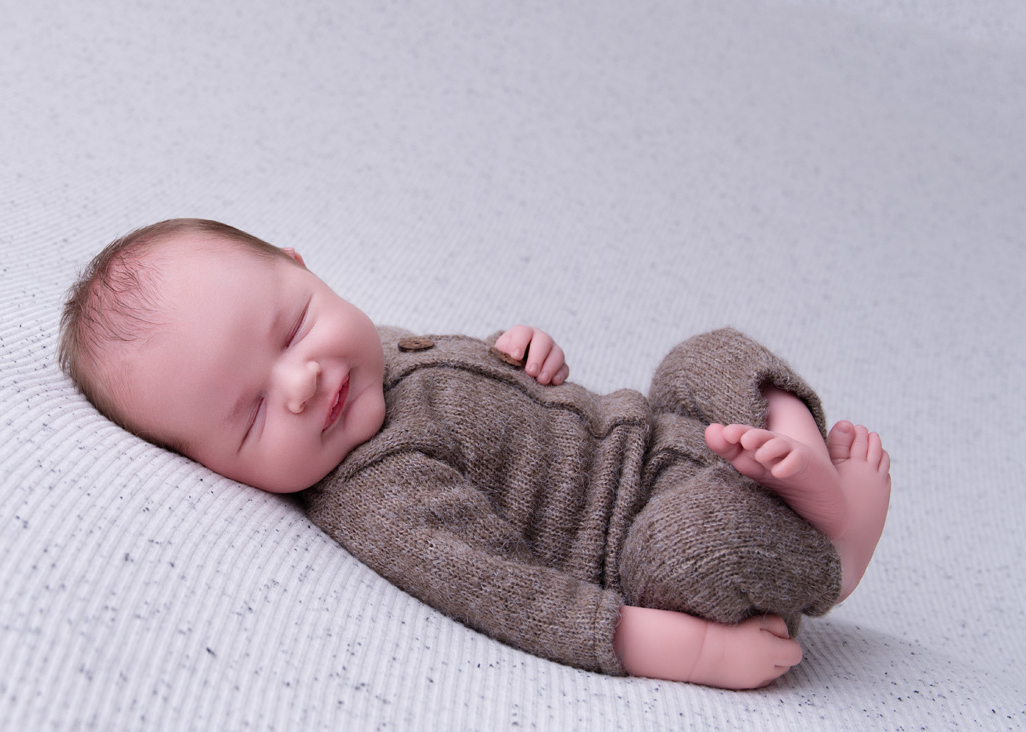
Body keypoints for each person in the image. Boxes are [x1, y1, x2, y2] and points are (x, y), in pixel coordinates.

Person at [58, 218, 891, 690]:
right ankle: (835, 544)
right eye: (250, 414)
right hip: (641, 538)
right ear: (216, 469)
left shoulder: (375, 351)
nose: (305, 383)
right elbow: (514, 598)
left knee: (703, 353)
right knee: (694, 549)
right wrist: (699, 654)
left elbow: (482, 398)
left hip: (662, 434)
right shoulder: (380, 497)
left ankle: (792, 450)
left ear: (302, 266)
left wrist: (515, 351)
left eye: (293, 326)